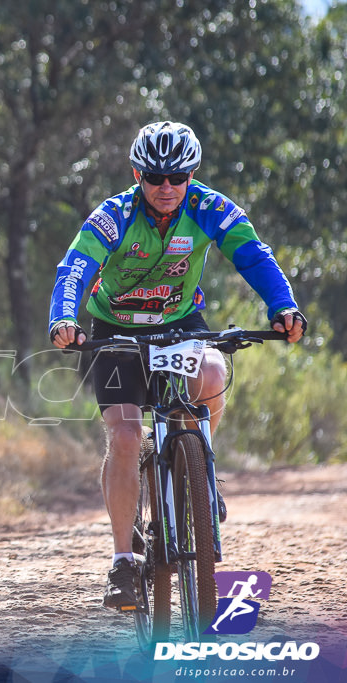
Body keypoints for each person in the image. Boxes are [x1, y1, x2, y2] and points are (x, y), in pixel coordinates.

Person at [48, 121, 306, 610]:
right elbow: (76, 266)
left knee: (211, 372)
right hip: (116, 329)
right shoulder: (114, 214)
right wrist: (63, 317)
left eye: (177, 177)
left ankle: (199, 471)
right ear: (136, 174)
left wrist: (283, 306)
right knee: (124, 436)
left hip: (179, 322)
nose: (166, 188)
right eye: (154, 177)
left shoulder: (210, 207)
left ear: (192, 175)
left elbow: (253, 256)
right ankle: (123, 560)